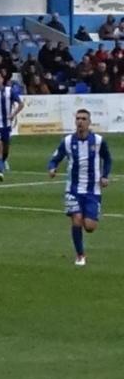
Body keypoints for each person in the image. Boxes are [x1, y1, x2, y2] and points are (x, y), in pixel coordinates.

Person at [48, 109, 112, 267]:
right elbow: (55, 158)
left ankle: (87, 215)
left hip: (93, 190)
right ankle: (80, 255)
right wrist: (52, 167)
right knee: (76, 220)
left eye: (84, 119)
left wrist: (105, 175)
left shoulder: (98, 141)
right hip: (73, 189)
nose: (80, 121)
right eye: (78, 118)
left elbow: (107, 158)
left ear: (89, 122)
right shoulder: (68, 141)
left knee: (90, 227)